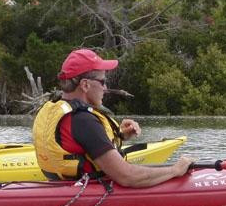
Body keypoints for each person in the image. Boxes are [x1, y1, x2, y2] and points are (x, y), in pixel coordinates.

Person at [32, 48, 193, 188]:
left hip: (61, 186)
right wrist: (174, 171)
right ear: (85, 85)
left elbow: (78, 143)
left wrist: (119, 134)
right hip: (87, 190)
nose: (106, 88)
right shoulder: (84, 121)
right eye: (102, 82)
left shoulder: (57, 108)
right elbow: (127, 177)